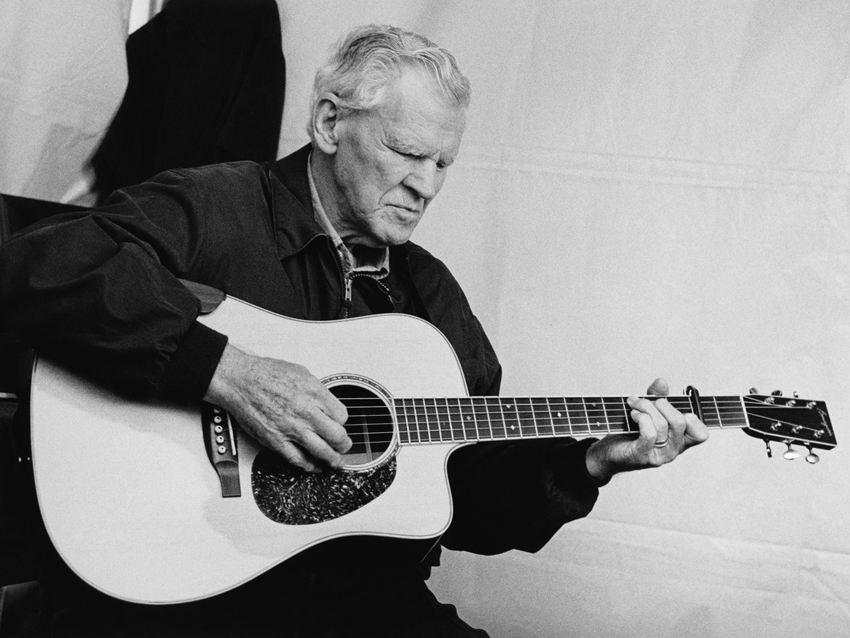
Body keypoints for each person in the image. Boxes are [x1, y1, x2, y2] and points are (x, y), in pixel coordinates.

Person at [0, 24, 709, 637]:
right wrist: (226, 370)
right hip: (179, 601)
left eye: (442, 164)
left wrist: (591, 463)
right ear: (331, 124)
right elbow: (34, 269)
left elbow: (467, 497)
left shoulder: (429, 297)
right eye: (406, 152)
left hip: (354, 604)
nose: (426, 186)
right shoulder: (218, 207)